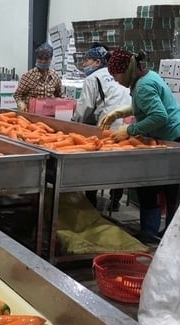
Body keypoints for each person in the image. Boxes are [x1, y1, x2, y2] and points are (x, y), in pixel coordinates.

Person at [99, 49, 180, 244]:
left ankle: (159, 234)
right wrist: (119, 113)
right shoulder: (146, 76)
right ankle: (160, 232)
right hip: (176, 134)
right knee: (156, 186)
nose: (115, 80)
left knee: (155, 186)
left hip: (174, 138)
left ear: (127, 71)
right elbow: (145, 106)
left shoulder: (143, 86)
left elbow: (159, 116)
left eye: (116, 76)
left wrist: (130, 130)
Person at [72, 43, 131, 211]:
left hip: (108, 123)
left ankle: (91, 202)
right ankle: (115, 202)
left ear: (97, 62)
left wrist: (73, 124)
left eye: (86, 60)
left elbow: (84, 108)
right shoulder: (118, 74)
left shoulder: (93, 78)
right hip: (129, 122)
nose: (84, 64)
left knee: (97, 165)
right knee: (120, 165)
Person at [13, 42, 62, 112]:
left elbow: (60, 95)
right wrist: (21, 103)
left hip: (49, 115)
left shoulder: (55, 76)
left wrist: (68, 102)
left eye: (46, 59)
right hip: (31, 114)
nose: (43, 61)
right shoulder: (28, 76)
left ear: (51, 59)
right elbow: (18, 95)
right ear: (36, 58)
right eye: (40, 58)